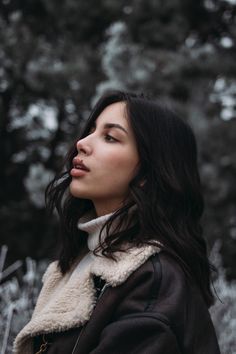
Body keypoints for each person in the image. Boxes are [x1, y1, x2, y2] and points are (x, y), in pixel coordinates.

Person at [13, 91, 221, 354]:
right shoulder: (82, 261)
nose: (82, 143)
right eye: (90, 131)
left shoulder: (153, 281)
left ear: (147, 172)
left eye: (110, 137)